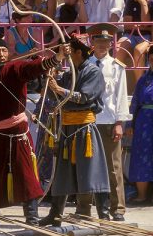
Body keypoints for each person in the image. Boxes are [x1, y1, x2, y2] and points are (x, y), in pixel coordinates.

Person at [0, 39, 70, 234]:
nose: (1, 54)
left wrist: (57, 57)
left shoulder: (15, 67)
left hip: (17, 132)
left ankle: (32, 219)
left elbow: (36, 67)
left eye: (3, 50)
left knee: (25, 173)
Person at [40, 34, 111, 225]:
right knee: (62, 172)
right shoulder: (71, 72)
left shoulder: (93, 71)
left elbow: (84, 97)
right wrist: (52, 80)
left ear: (79, 52)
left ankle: (104, 215)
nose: (68, 56)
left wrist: (60, 90)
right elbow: (56, 96)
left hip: (85, 128)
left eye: (71, 52)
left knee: (93, 170)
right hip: (68, 127)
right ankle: (55, 214)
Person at [77, 24, 130, 222]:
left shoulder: (116, 67)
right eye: (99, 42)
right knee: (86, 165)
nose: (102, 46)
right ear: (92, 42)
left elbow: (120, 96)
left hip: (108, 121)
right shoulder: (84, 65)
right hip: (87, 121)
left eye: (106, 42)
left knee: (113, 167)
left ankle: (118, 208)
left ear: (111, 44)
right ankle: (83, 207)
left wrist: (119, 122)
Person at [118, 0, 153, 87]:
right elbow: (127, 24)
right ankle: (116, 86)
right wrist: (144, 26)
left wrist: (143, 3)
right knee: (118, 48)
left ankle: (139, 88)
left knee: (138, 51)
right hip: (130, 34)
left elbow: (147, 23)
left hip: (148, 37)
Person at [128, 45, 153, 206]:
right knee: (141, 157)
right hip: (144, 123)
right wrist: (130, 124)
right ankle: (142, 195)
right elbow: (135, 101)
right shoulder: (143, 80)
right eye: (151, 57)